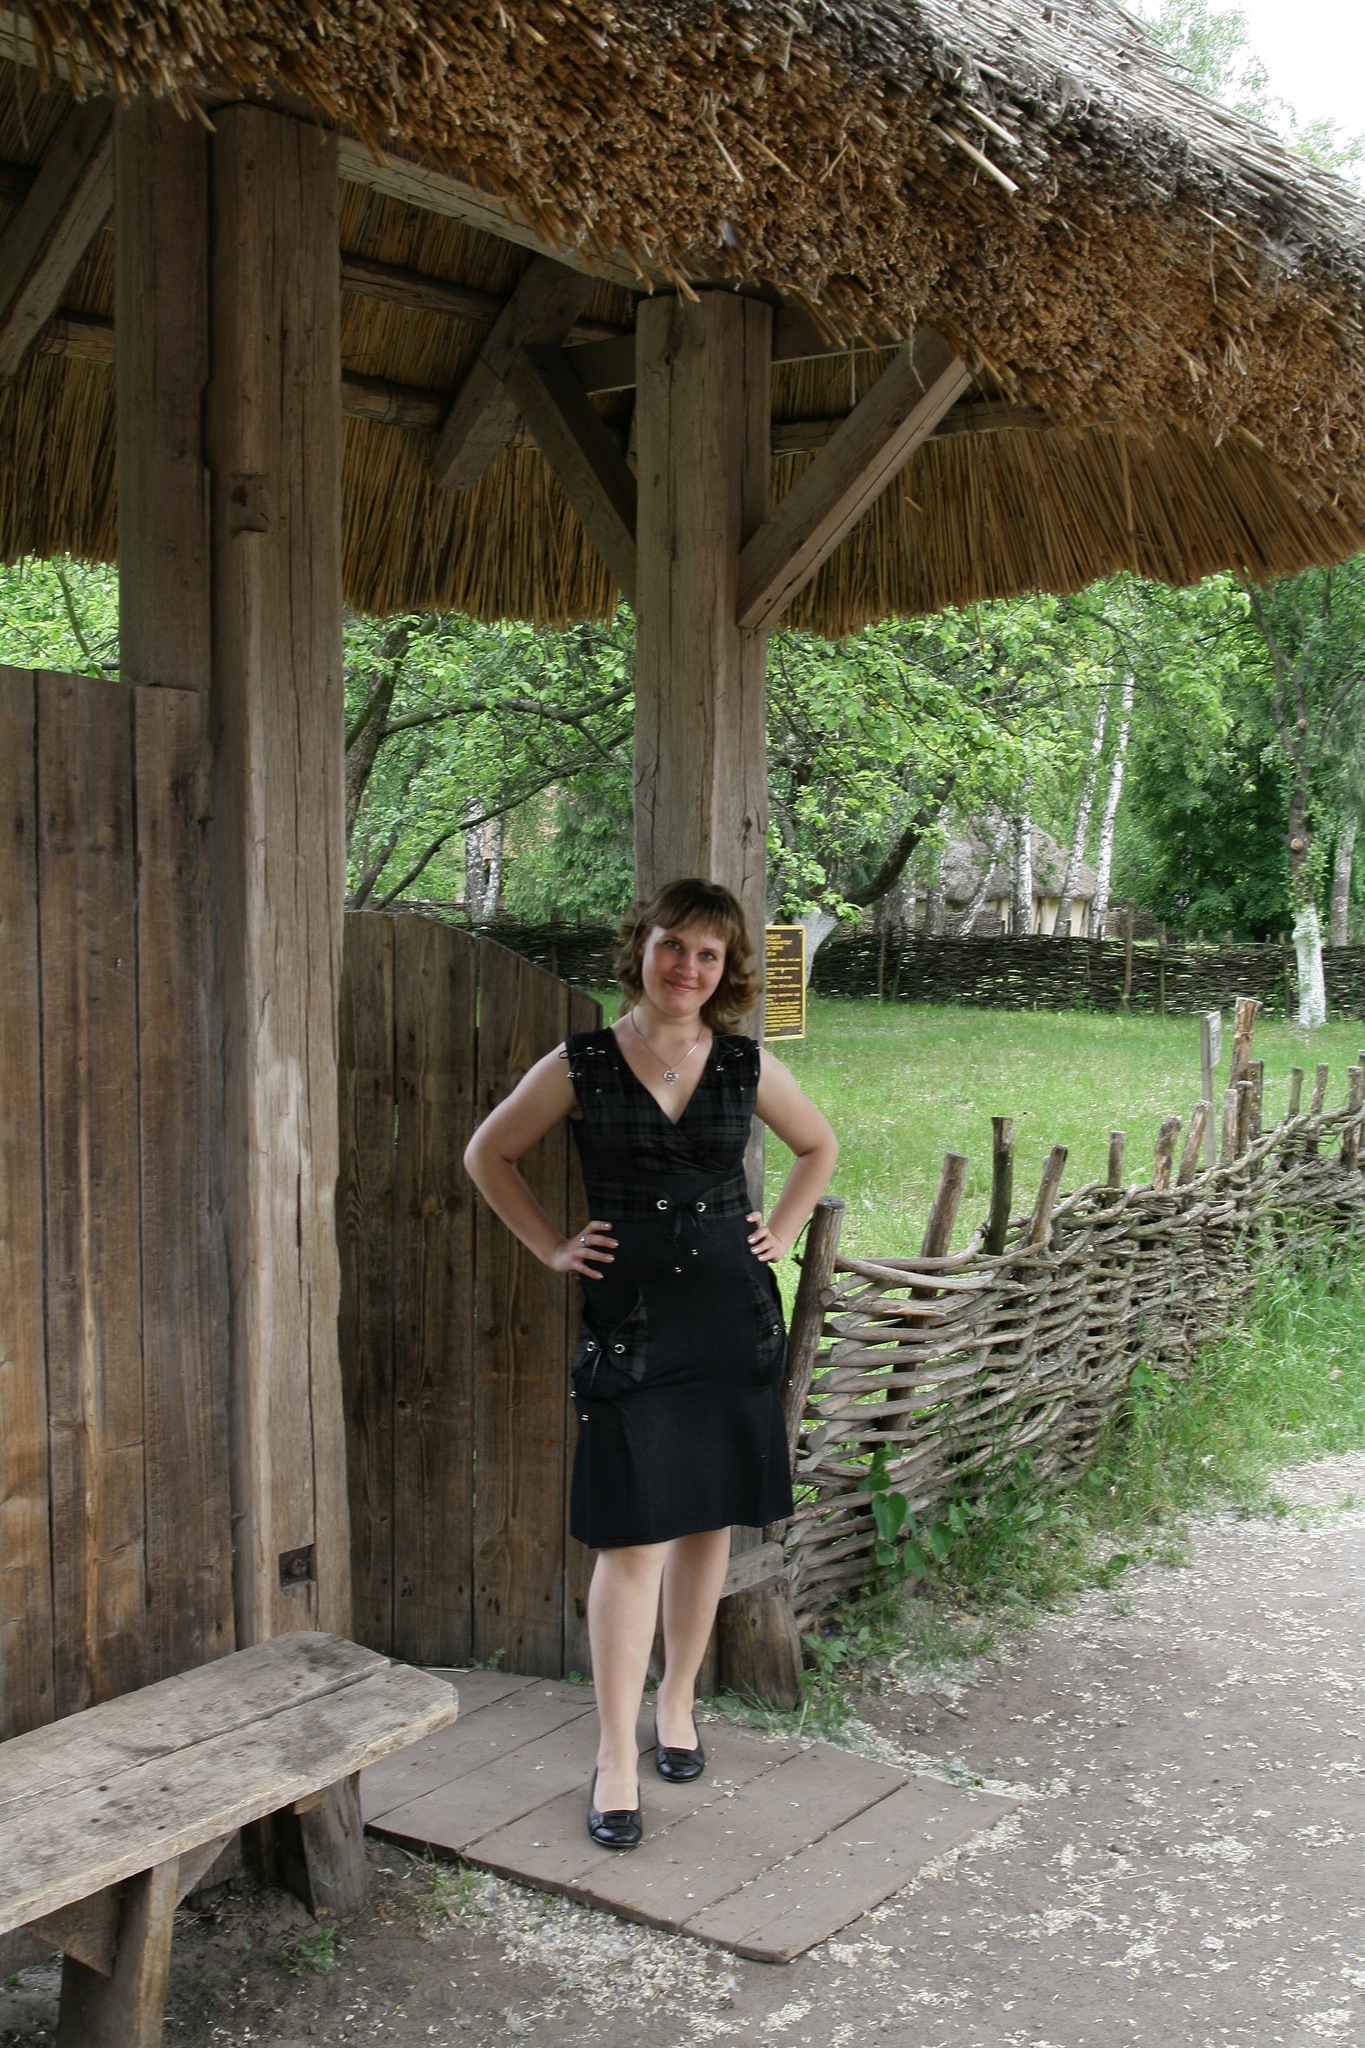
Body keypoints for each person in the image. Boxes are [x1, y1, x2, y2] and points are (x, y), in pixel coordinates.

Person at [463, 877, 837, 1850]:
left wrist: (781, 1228)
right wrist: (551, 1244)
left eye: (708, 954)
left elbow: (818, 1146)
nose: (688, 967)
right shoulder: (581, 1062)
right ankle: (614, 1755)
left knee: (708, 1516)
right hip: (630, 1322)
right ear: (643, 946)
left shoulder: (744, 1063)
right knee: (632, 1538)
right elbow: (488, 1155)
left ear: (726, 969)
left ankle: (678, 1704)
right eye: (674, 945)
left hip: (729, 1319)